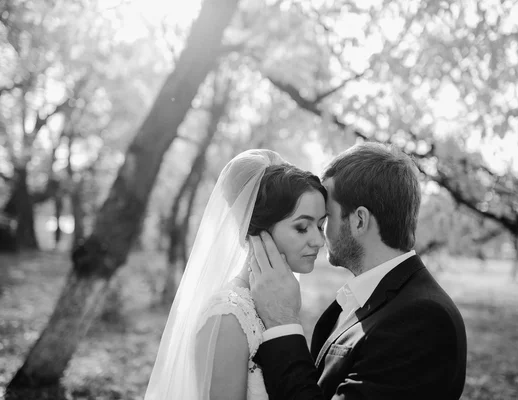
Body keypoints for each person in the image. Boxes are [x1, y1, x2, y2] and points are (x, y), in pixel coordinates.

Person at [249, 142, 468, 399]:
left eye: (326, 219)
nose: (320, 238)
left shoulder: (424, 321)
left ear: (359, 220)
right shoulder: (361, 299)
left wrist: (282, 322)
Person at [144, 149, 327, 400]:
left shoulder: (283, 300)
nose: (319, 240)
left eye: (320, 225)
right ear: (258, 230)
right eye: (302, 227)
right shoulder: (229, 317)